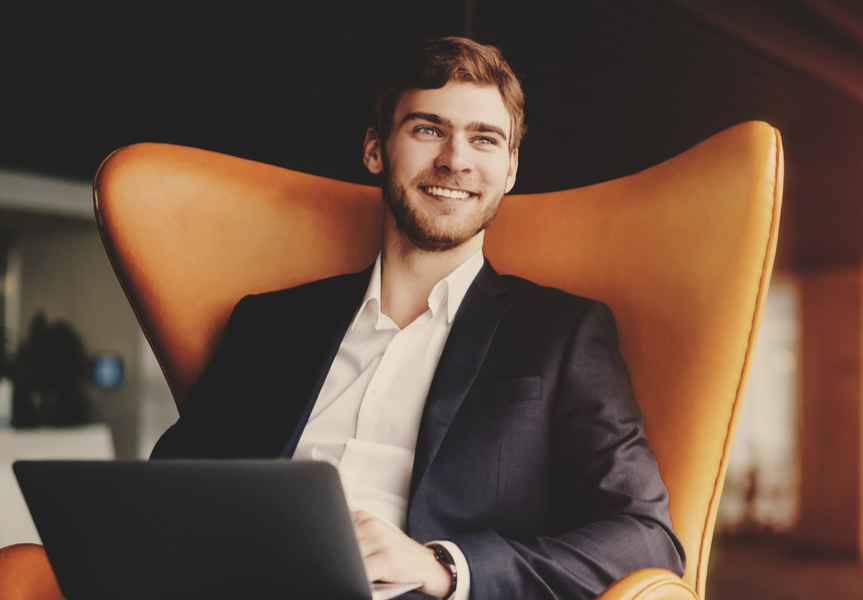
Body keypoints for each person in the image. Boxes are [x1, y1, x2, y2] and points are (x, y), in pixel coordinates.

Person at [150, 37, 685, 600]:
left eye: (484, 139)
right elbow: (164, 496)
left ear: (509, 170)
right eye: (429, 129)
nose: (456, 159)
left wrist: (445, 567)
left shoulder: (563, 334)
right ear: (376, 150)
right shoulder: (267, 325)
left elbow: (646, 539)